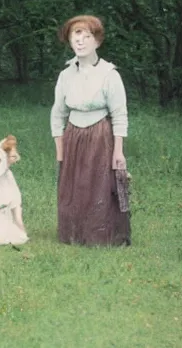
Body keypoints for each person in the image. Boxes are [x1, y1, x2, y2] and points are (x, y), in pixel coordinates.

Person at [50, 15, 131, 246]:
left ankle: (101, 235)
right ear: (69, 39)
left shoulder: (109, 74)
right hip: (73, 135)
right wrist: (60, 149)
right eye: (77, 35)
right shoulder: (65, 75)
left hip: (100, 136)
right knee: (75, 186)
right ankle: (74, 234)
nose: (81, 41)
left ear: (97, 41)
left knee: (100, 186)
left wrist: (118, 152)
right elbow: (58, 113)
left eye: (88, 36)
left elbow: (119, 114)